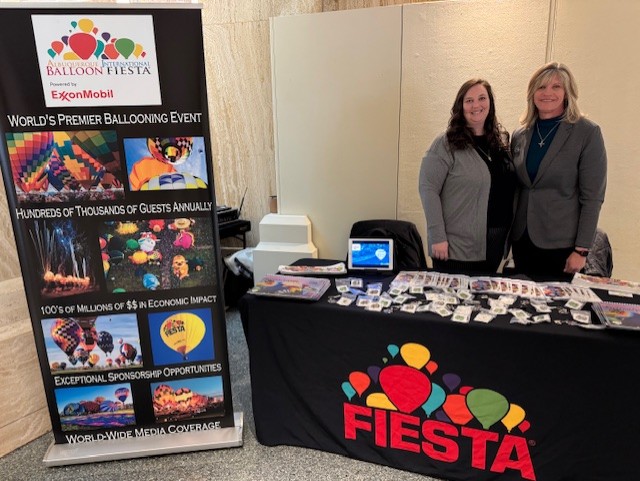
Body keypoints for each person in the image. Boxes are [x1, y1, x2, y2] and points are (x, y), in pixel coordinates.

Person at [511, 62, 607, 279]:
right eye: (541, 87)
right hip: (522, 240)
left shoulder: (586, 133)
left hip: (562, 246)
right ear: (532, 93)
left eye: (556, 87)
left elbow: (592, 198)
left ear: (567, 93)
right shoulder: (520, 134)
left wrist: (582, 250)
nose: (547, 93)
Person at [419, 79, 515, 274]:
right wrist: (437, 237)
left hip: (494, 243)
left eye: (482, 98)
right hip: (456, 248)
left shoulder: (500, 142)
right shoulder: (446, 143)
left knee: (482, 303)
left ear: (490, 103)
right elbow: (427, 188)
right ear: (460, 106)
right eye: (469, 100)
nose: (476, 105)